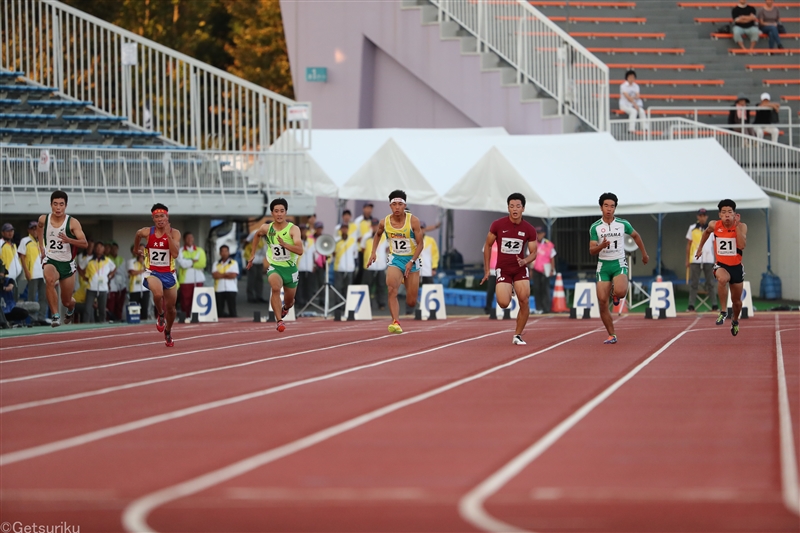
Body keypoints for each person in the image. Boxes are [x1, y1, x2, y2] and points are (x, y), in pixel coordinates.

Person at [589, 192, 649, 345]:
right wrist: (601, 245)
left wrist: (644, 254)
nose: (609, 209)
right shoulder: (595, 227)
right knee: (602, 302)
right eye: (606, 206)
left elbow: (636, 236)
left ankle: (615, 294)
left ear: (615, 208)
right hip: (603, 265)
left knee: (621, 292)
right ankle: (611, 334)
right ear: (601, 207)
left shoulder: (623, 224)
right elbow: (591, 250)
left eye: (612, 206)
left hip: (618, 263)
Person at [480, 193, 538, 345]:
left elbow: (534, 253)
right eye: (511, 206)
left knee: (524, 300)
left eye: (518, 206)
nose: (515, 209)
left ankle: (517, 335)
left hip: (520, 269)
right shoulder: (498, 225)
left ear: (523, 209)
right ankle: (508, 288)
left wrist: (524, 261)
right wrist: (487, 270)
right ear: (508, 208)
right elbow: (487, 245)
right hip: (503, 269)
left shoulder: (529, 229)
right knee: (504, 303)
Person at [368, 190, 424, 333]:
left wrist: (411, 261)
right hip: (395, 259)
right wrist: (373, 252)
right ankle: (396, 322)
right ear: (390, 206)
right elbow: (377, 235)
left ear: (404, 205)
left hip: (412, 259)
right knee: (392, 289)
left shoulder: (413, 221)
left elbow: (421, 244)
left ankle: (406, 280)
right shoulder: (384, 222)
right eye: (394, 204)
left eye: (400, 204)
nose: (397, 207)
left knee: (411, 301)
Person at [246, 198, 304, 333]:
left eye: (282, 211)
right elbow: (257, 235)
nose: (279, 214)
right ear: (272, 213)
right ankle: (279, 321)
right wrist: (252, 254)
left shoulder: (293, 229)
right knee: (275, 287)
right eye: (276, 211)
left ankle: (285, 308)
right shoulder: (267, 228)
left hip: (290, 269)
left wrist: (285, 245)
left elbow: (300, 250)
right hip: (275, 266)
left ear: (286, 213)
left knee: (289, 302)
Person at [695, 199, 748, 336]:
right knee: (722, 279)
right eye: (723, 212)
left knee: (737, 302)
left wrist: (736, 226)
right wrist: (700, 248)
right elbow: (706, 232)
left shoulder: (742, 226)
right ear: (719, 215)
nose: (726, 215)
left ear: (735, 214)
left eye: (729, 212)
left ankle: (735, 320)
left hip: (736, 266)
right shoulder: (714, 225)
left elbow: (741, 245)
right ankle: (723, 311)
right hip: (721, 264)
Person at [37, 190, 88, 327]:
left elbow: (84, 243)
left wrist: (69, 240)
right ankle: (55, 315)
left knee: (66, 301)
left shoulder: (72, 222)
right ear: (51, 205)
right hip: (51, 259)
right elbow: (39, 228)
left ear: (65, 205)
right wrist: (41, 246)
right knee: (49, 279)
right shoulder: (44, 219)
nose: (58, 207)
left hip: (67, 264)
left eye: (61, 204)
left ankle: (71, 308)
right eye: (55, 204)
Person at [133, 203, 181, 347]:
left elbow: (175, 254)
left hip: (169, 273)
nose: (160, 219)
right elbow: (137, 234)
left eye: (162, 216)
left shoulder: (174, 233)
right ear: (153, 218)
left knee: (172, 309)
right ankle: (160, 315)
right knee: (158, 294)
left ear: (167, 217)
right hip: (152, 271)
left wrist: (167, 235)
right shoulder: (147, 232)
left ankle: (168, 331)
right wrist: (136, 249)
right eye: (157, 217)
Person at [686, 208, 718, 312]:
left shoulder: (711, 229)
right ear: (698, 217)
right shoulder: (692, 228)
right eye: (700, 216)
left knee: (711, 283)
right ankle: (691, 305)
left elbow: (714, 244)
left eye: (704, 216)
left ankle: (714, 305)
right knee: (694, 283)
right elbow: (689, 244)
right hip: (695, 259)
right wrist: (687, 259)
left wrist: (717, 259)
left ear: (707, 217)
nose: (702, 218)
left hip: (708, 258)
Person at [18, 220, 46, 324]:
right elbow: (22, 257)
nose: (35, 231)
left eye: (37, 228)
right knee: (32, 297)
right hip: (33, 273)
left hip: (43, 274)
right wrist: (27, 272)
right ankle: (32, 318)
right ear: (29, 230)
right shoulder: (25, 241)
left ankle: (41, 317)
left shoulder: (42, 242)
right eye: (33, 229)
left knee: (43, 297)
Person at [84, 241, 116, 323]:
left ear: (103, 249)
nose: (98, 249)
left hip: (103, 288)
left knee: (102, 309)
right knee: (87, 309)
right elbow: (83, 271)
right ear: (95, 249)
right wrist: (89, 279)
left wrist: (109, 276)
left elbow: (114, 268)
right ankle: (84, 327)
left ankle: (102, 326)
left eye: (100, 247)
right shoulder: (89, 261)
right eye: (97, 247)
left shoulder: (107, 260)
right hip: (91, 288)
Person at [177, 232, 207, 312]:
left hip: (199, 279)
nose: (190, 239)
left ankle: (198, 318)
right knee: (185, 302)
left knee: (199, 301)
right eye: (188, 238)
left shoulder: (200, 250)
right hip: (185, 280)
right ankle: (186, 318)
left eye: (191, 237)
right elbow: (183, 264)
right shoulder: (180, 251)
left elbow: (202, 264)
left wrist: (189, 263)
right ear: (184, 239)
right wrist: (193, 261)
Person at [362, 218, 388, 311]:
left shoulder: (385, 236)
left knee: (381, 285)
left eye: (376, 225)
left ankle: (381, 304)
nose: (374, 227)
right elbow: (363, 249)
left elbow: (387, 248)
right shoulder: (366, 236)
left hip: (380, 265)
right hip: (369, 266)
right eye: (373, 225)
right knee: (367, 285)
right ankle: (367, 303)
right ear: (371, 226)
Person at [530, 226, 557, 314]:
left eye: (540, 233)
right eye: (537, 234)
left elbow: (552, 257)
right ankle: (539, 307)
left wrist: (552, 269)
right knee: (537, 289)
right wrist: (530, 269)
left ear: (544, 234)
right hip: (536, 268)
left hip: (546, 268)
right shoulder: (532, 243)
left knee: (545, 288)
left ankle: (546, 308)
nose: (538, 235)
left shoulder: (548, 244)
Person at [212, 244, 239, 318]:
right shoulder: (216, 263)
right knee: (219, 311)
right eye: (222, 251)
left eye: (226, 251)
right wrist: (227, 274)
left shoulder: (234, 263)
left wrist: (220, 275)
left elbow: (233, 275)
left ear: (228, 252)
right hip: (219, 289)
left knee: (232, 310)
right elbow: (214, 276)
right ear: (220, 253)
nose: (224, 253)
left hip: (231, 289)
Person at [333, 223, 358, 299]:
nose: (344, 230)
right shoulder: (336, 240)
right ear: (340, 230)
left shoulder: (353, 240)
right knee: (338, 287)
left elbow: (355, 254)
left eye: (346, 228)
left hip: (350, 268)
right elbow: (333, 253)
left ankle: (347, 305)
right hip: (339, 268)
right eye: (343, 228)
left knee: (348, 288)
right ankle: (338, 306)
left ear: (348, 229)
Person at [128, 244, 150, 321]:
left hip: (145, 288)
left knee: (144, 309)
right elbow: (132, 272)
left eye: (143, 250)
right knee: (134, 309)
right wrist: (143, 270)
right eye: (139, 250)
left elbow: (150, 271)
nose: (141, 252)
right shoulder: (131, 261)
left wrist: (143, 263)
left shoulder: (148, 261)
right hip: (134, 289)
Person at [106, 241, 127, 321]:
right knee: (111, 304)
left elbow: (123, 272)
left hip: (121, 285)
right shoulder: (108, 259)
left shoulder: (121, 259)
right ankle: (111, 318)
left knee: (120, 304)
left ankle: (119, 318)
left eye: (115, 248)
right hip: (112, 285)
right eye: (112, 249)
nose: (114, 250)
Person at [353, 203, 374, 284]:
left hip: (370, 249)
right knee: (361, 269)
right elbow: (354, 234)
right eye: (367, 208)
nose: (369, 210)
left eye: (370, 208)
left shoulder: (373, 221)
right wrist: (359, 239)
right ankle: (356, 286)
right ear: (363, 209)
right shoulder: (358, 221)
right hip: (361, 249)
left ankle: (367, 287)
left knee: (369, 269)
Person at [296, 225, 315, 310]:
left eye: (305, 230)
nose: (303, 232)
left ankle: (308, 301)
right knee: (300, 285)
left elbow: (314, 253)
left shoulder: (311, 241)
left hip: (309, 266)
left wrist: (314, 264)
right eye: (302, 230)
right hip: (299, 266)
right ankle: (300, 301)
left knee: (309, 285)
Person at [417, 222, 440, 288]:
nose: (421, 230)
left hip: (427, 269)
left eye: (422, 228)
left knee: (429, 288)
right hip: (415, 269)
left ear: (425, 229)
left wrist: (434, 268)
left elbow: (435, 255)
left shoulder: (431, 241)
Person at [1, 223, 22, 290]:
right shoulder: (1, 243)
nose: (10, 233)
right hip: (6, 278)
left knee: (14, 299)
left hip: (15, 278)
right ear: (2, 233)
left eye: (12, 231)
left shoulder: (13, 245)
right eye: (8, 231)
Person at [483, 242, 499, 314]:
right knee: (490, 290)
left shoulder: (503, 241)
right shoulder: (489, 242)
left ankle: (502, 309)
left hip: (501, 271)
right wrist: (486, 269)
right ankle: (488, 308)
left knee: (502, 291)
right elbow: (485, 255)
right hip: (492, 271)